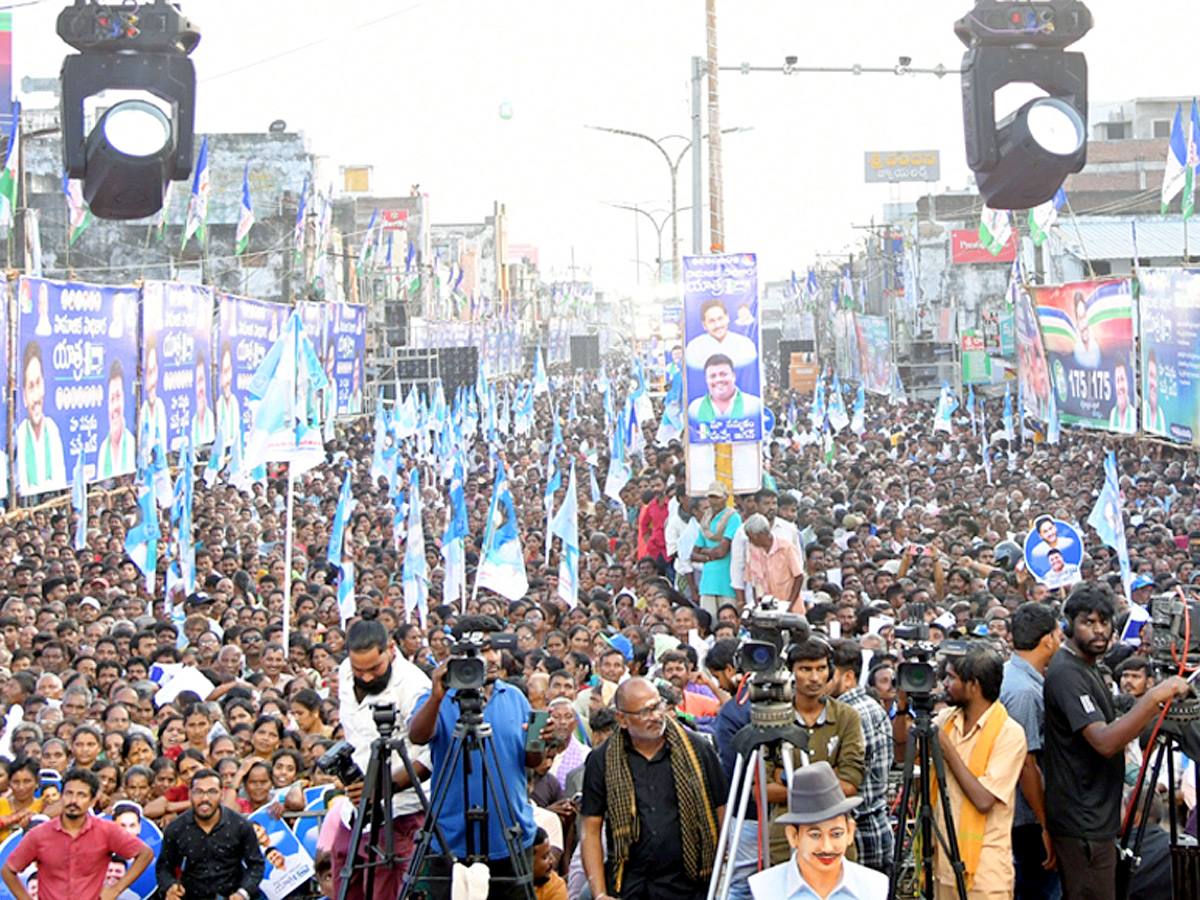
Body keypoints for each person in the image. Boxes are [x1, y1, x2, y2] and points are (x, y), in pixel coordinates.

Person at [1044, 584, 1190, 900]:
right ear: (1069, 624)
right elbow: (1104, 741)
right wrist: (1153, 698)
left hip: (1097, 817)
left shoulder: (1088, 666)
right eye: (1088, 622)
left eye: (1105, 622)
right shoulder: (1067, 672)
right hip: (1082, 822)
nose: (1099, 630)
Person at [409, 615, 547, 900]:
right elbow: (418, 736)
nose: (494, 658)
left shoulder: (515, 697)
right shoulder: (438, 699)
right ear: (460, 654)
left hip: (508, 838)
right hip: (451, 842)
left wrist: (541, 741)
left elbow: (531, 762)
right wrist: (437, 697)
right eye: (484, 650)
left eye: (495, 649)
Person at [580, 676, 727, 900]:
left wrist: (720, 865)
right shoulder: (602, 760)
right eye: (645, 712)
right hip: (629, 885)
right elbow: (590, 829)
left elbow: (721, 810)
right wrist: (600, 894)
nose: (656, 716)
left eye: (658, 706)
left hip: (688, 885)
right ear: (622, 719)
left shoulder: (697, 749)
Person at [333, 619, 432, 900]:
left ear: (390, 649)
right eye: (358, 671)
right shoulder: (344, 673)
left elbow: (429, 758)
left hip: (400, 812)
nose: (365, 678)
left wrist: (384, 787)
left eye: (374, 669)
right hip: (355, 811)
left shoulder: (413, 685)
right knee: (346, 887)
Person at [933, 645, 1027, 900]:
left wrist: (945, 748)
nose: (944, 684)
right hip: (942, 867)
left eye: (952, 678)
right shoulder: (945, 720)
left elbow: (984, 800)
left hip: (985, 873)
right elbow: (902, 755)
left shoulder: (1009, 733)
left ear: (973, 685)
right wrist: (902, 706)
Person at [767, 638, 864, 865]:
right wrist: (828, 778)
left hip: (835, 834)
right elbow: (762, 790)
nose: (814, 678)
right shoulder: (774, 718)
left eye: (821, 669)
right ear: (791, 673)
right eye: (805, 669)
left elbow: (850, 785)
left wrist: (786, 778)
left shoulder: (846, 717)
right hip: (786, 836)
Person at [1, 767, 153, 900]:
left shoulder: (107, 831)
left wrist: (115, 890)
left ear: (92, 801)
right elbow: (8, 870)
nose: (73, 800)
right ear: (62, 797)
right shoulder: (39, 834)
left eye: (81, 795)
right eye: (69, 793)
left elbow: (145, 854)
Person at [747, 761, 887, 900]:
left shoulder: (874, 886)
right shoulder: (765, 888)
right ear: (793, 836)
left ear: (850, 831)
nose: (827, 847)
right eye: (815, 835)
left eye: (836, 834)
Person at [998, 603, 1062, 900]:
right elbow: (1026, 764)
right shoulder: (1023, 691)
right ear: (1047, 639)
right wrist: (1046, 825)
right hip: (1027, 819)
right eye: (1058, 632)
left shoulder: (1012, 674)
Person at [827, 639, 894, 874]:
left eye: (826, 672)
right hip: (872, 832)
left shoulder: (852, 714)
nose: (818, 680)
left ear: (847, 678)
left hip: (862, 836)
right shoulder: (870, 705)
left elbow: (849, 782)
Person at [156, 768, 265, 900]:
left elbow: (256, 864)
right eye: (198, 792)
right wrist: (170, 886)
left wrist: (243, 893)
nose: (205, 798)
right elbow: (164, 867)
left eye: (212, 792)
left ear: (221, 794)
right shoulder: (176, 829)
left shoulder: (240, 825)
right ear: (190, 794)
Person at [15, 340, 67, 495]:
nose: (36, 396)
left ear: (44, 385)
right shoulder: (20, 434)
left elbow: (60, 478)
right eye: (31, 387)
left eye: (38, 384)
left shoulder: (52, 429)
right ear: (24, 395)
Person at [686, 354, 762, 425]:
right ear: (706, 380)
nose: (718, 380)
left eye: (723, 374)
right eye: (713, 376)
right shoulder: (694, 408)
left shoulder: (755, 406)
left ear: (733, 376)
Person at [685, 299, 758, 371]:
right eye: (712, 321)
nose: (718, 325)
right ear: (704, 325)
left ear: (727, 318)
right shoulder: (693, 348)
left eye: (720, 319)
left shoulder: (745, 345)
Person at [97, 360, 135, 479]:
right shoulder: (103, 451)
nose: (115, 406)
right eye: (111, 399)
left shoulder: (132, 444)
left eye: (118, 397)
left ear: (123, 398)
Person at [139, 345, 168, 461]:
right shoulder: (141, 409)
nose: (151, 381)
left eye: (153, 371)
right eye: (148, 373)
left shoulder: (160, 406)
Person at [215, 340, 242, 451]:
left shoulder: (234, 403)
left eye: (228, 371)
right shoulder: (217, 405)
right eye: (224, 372)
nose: (226, 379)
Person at [192, 350, 215, 448]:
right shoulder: (192, 423)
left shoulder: (210, 417)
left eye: (201, 380)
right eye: (197, 382)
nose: (200, 388)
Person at [1108, 354, 1136, 434]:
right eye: (1117, 381)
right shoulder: (1113, 414)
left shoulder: (1134, 414)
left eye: (1122, 379)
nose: (1120, 386)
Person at [1143, 348, 1166, 435]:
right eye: (1150, 375)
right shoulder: (1143, 412)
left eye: (1155, 377)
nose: (1153, 382)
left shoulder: (1161, 415)